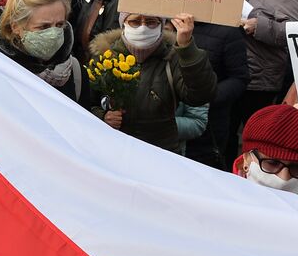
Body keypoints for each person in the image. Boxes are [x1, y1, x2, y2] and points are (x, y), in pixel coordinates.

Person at [89, 11, 217, 154]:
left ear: (161, 25)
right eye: (135, 22)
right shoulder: (105, 57)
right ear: (123, 24)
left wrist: (187, 48)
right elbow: (86, 104)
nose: (143, 28)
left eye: (150, 22)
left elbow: (200, 95)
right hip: (114, 151)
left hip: (161, 153)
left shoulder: (174, 58)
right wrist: (103, 116)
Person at [232, 0, 298, 161]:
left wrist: (259, 25)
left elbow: (293, 32)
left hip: (260, 78)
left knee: (254, 134)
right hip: (236, 69)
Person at [0, 0, 87, 102]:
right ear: (16, 26)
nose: (53, 34)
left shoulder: (74, 70)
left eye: (59, 25)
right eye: (44, 27)